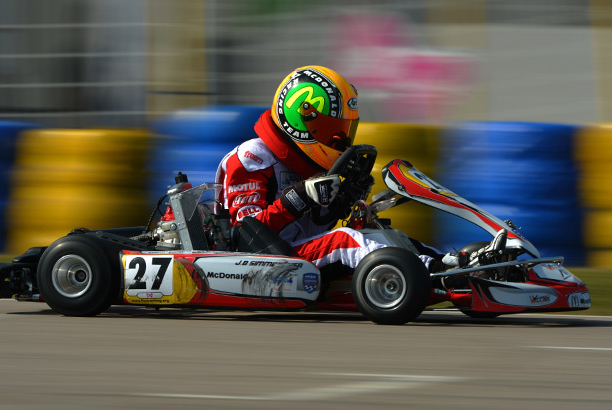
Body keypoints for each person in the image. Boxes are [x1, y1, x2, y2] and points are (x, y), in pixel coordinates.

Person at [215, 65, 503, 277]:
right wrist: (299, 197)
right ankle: (428, 276)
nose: (340, 139)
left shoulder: (309, 161)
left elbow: (317, 222)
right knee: (347, 241)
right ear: (302, 120)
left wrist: (348, 204)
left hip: (297, 254)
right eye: (332, 130)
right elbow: (246, 234)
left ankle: (452, 265)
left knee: (377, 231)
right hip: (261, 260)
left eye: (344, 130)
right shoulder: (252, 158)